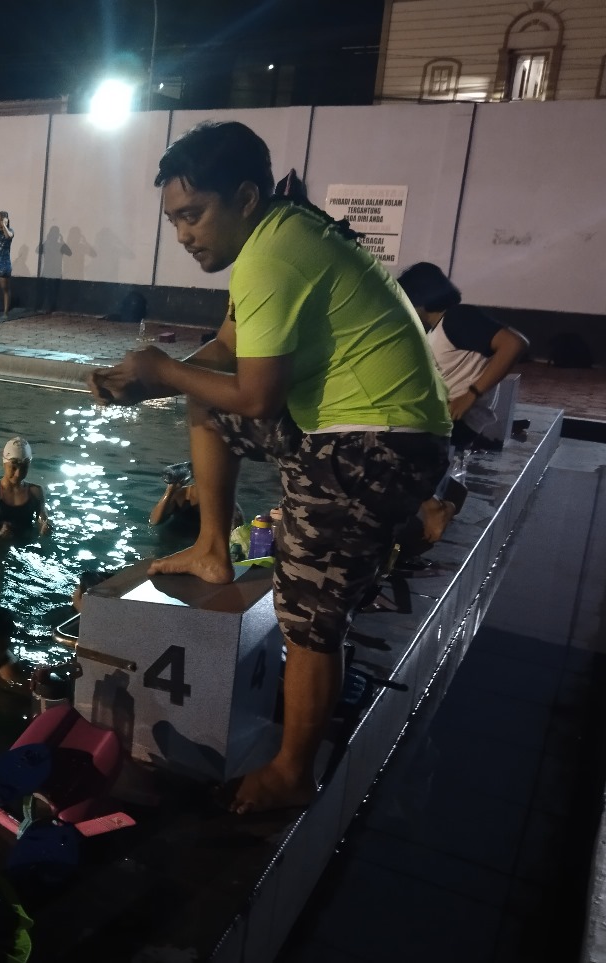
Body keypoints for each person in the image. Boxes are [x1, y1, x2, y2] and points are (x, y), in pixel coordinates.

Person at [89, 121, 450, 814]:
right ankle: (210, 550)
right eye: (174, 221)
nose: (185, 235)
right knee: (202, 402)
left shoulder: (268, 256)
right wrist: (150, 381)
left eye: (193, 215)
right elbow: (226, 351)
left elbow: (257, 395)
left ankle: (292, 771)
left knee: (308, 610)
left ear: (246, 197)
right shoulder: (280, 235)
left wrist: (162, 366)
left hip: (376, 442)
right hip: (366, 429)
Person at [397, 262, 530, 543]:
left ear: (417, 297)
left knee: (377, 447)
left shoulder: (459, 318)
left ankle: (435, 506)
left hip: (455, 418)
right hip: (440, 417)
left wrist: (471, 393)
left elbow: (514, 344)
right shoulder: (439, 327)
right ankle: (450, 494)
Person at [0, 437, 50, 537]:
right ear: (4, 463)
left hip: (27, 546)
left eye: (24, 468)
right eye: (13, 467)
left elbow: (42, 518)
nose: (18, 474)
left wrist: (44, 527)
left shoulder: (36, 492)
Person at [149, 460, 246, 529]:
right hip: (174, 540)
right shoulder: (182, 495)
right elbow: (154, 521)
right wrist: (170, 490)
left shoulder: (229, 506)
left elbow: (237, 537)